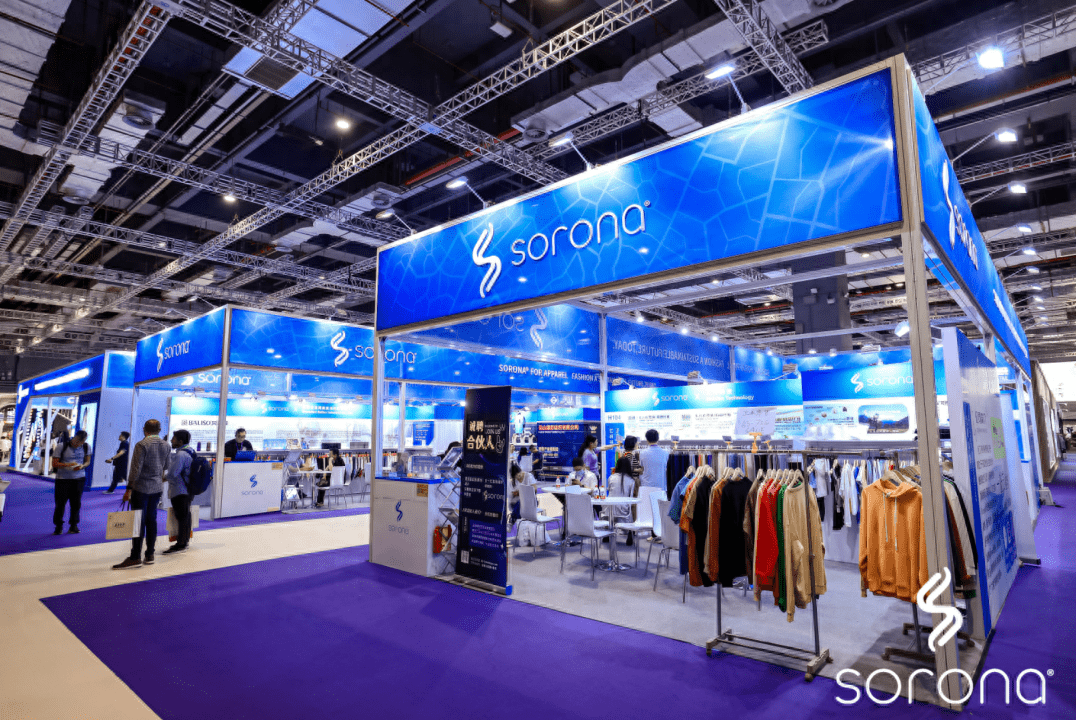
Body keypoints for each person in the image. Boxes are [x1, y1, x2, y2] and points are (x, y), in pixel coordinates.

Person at [112, 419, 172, 569]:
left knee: (138, 521)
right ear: (159, 430)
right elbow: (166, 466)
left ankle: (135, 557)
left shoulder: (142, 444)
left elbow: (135, 469)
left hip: (141, 488)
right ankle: (150, 554)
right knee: (151, 520)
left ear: (145, 429)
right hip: (157, 488)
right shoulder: (166, 445)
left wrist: (128, 489)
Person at [52, 430, 91, 535]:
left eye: (81, 442)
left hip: (79, 479)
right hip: (63, 479)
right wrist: (68, 465)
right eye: (76, 441)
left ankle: (73, 525)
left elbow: (87, 461)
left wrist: (82, 466)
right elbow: (54, 463)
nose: (78, 444)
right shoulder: (61, 446)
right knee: (60, 504)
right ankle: (58, 526)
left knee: (76, 503)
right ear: (74, 437)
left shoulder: (86, 447)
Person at [162, 430, 194, 555]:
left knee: (182, 517)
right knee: (185, 516)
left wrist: (162, 478)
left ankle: (181, 544)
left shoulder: (181, 455)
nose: (171, 440)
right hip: (188, 489)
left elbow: (173, 474)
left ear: (180, 441)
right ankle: (184, 541)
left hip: (180, 490)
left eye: (174, 439)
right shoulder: (190, 451)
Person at [606, 455, 637, 539]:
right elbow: (630, 497)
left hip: (609, 509)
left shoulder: (611, 478)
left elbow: (610, 491)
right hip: (624, 510)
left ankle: (607, 532)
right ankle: (630, 532)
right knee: (631, 507)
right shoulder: (631, 481)